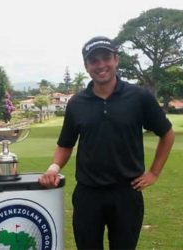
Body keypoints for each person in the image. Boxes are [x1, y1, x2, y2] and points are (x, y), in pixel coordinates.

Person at [38, 36, 175, 249]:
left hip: (127, 193)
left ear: (116, 60)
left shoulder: (138, 97)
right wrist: (53, 168)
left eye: (106, 58)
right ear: (86, 66)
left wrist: (154, 173)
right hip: (88, 194)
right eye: (94, 60)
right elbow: (66, 144)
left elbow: (167, 133)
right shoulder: (77, 103)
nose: (101, 65)